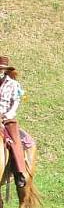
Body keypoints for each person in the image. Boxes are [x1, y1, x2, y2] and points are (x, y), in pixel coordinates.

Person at [0, 55, 27, 187]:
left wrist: (8, 114)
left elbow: (15, 102)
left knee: (15, 140)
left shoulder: (13, 84)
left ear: (5, 70)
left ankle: (19, 172)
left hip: (6, 117)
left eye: (1, 69)